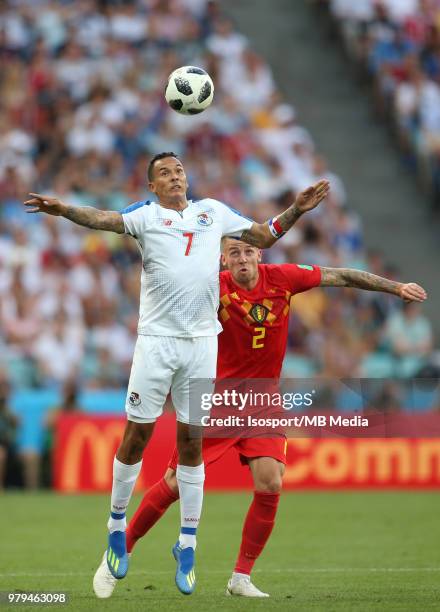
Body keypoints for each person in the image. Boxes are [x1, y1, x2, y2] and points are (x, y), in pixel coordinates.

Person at [24, 152, 330, 595]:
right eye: (164, 173)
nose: (175, 177)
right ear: (152, 186)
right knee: (137, 438)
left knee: (193, 446)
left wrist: (298, 209)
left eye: (179, 170)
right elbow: (103, 219)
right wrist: (64, 209)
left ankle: (190, 545)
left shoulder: (214, 213)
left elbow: (264, 233)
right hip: (156, 342)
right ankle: (116, 529)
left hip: (202, 346)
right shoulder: (145, 217)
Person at [92, 236, 427, 598]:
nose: (242, 259)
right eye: (234, 253)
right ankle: (120, 549)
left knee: (271, 482)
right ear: (224, 260)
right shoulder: (212, 287)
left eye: (248, 252)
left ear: (259, 254)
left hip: (263, 400)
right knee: (175, 483)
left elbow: (340, 275)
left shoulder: (283, 278)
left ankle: (241, 577)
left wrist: (396, 288)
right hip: (217, 400)